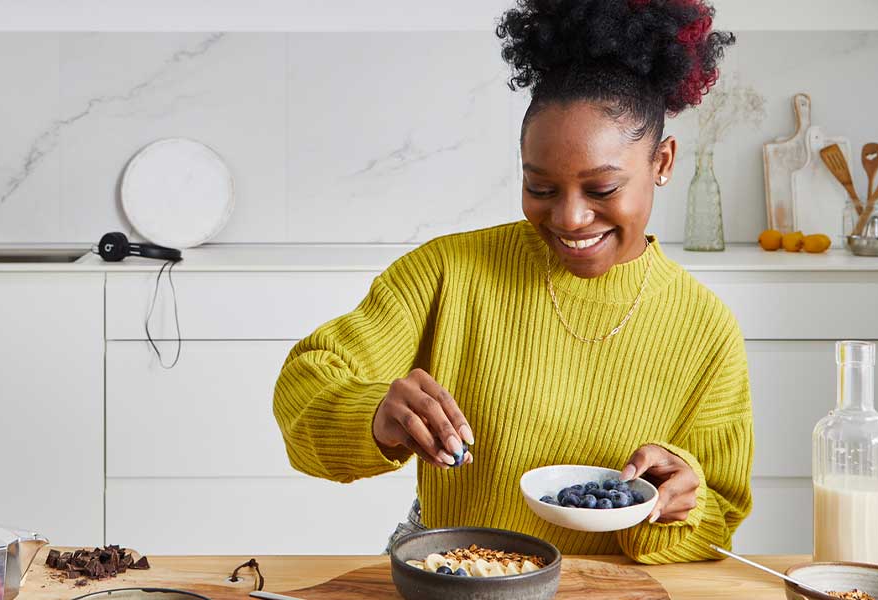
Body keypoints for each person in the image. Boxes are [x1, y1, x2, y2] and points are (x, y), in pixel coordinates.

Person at [271, 0, 750, 564]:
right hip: (449, 569)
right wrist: (375, 415)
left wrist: (678, 502)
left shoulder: (704, 326)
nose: (569, 218)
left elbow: (719, 519)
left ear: (663, 163)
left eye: (601, 190)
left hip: (604, 583)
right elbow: (305, 386)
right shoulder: (447, 272)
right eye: (541, 189)